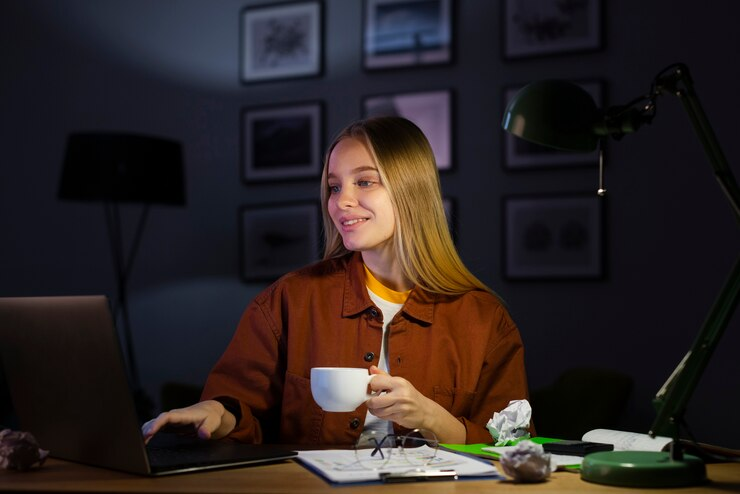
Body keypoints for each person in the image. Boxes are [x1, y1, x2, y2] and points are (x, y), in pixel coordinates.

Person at [142, 116, 531, 446]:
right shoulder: (290, 299)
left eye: (364, 182)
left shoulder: (485, 319)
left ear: (411, 190)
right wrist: (215, 411)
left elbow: (515, 445)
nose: (340, 201)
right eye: (334, 186)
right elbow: (237, 406)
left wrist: (432, 418)